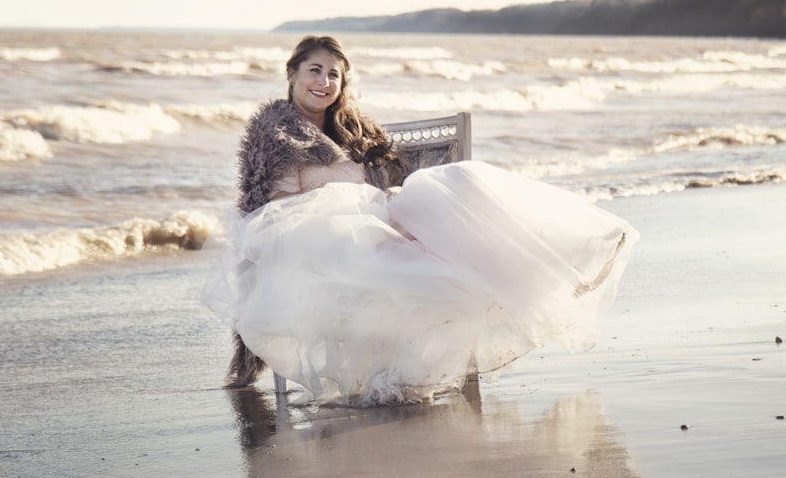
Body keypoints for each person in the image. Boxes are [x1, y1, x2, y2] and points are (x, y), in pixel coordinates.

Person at [202, 35, 638, 406]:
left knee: (456, 179)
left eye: (334, 75)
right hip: (305, 234)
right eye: (315, 71)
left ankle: (566, 253)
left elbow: (385, 179)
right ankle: (497, 291)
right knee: (425, 237)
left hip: (364, 214)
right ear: (292, 74)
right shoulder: (275, 130)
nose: (324, 82)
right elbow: (289, 196)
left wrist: (389, 200)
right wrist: (368, 196)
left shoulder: (352, 130)